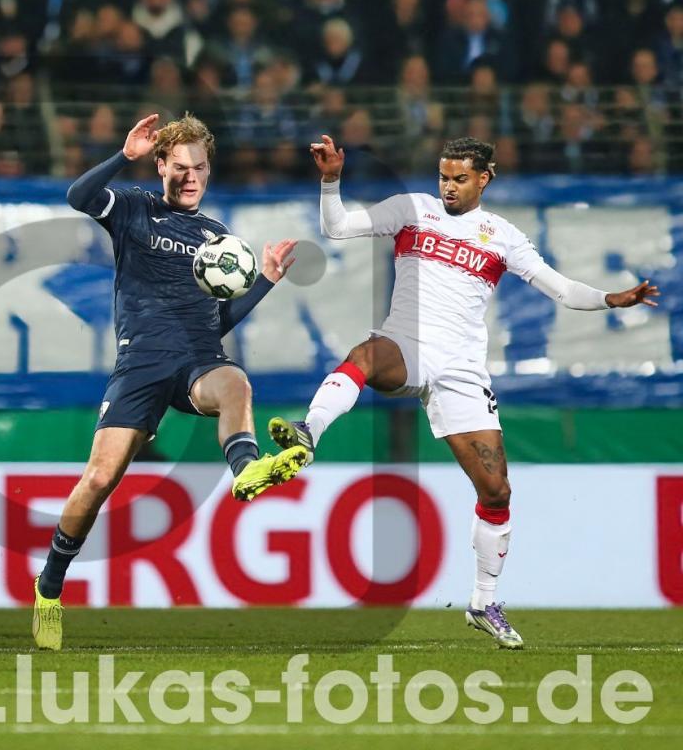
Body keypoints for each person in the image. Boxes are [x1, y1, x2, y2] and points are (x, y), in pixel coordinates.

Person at [269, 135, 659, 649]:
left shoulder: (503, 236)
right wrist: (330, 180)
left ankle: (483, 601)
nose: (448, 187)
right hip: (406, 345)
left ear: (484, 179)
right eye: (443, 177)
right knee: (365, 354)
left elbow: (561, 289)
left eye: (459, 178)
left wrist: (611, 298)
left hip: (461, 372)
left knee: (496, 492)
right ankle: (309, 431)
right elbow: (337, 227)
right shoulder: (413, 209)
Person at [33, 114, 305, 650]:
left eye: (199, 167)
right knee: (99, 480)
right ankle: (50, 586)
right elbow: (77, 196)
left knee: (236, 384)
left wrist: (266, 281)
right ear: (161, 165)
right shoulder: (134, 208)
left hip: (197, 361)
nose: (190, 177)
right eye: (179, 166)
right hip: (140, 363)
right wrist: (123, 156)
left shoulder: (218, 239)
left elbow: (217, 321)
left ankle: (246, 470)